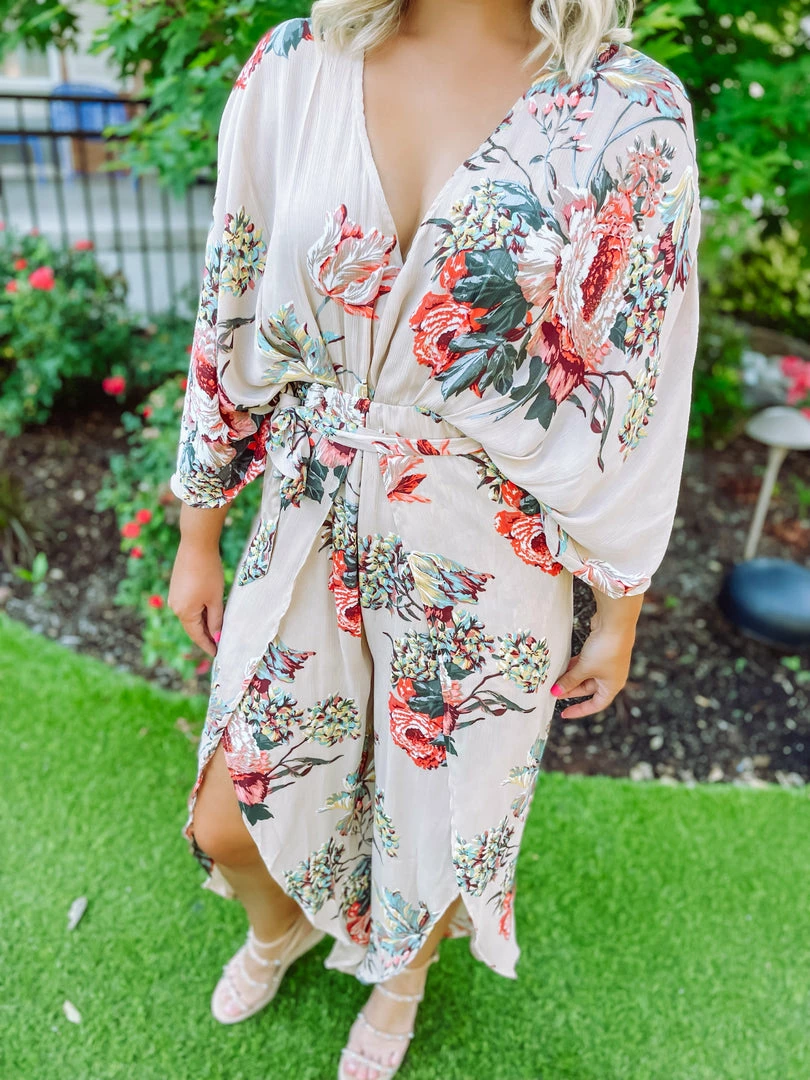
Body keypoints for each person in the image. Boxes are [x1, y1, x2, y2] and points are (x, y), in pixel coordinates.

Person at [167, 0, 701, 1076]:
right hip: (311, 505)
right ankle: (282, 929)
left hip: (488, 544)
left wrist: (620, 609)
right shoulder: (299, 63)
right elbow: (230, 302)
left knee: (440, 819)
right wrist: (199, 527)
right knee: (229, 810)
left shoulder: (629, 107)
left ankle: (398, 988)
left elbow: (636, 381)